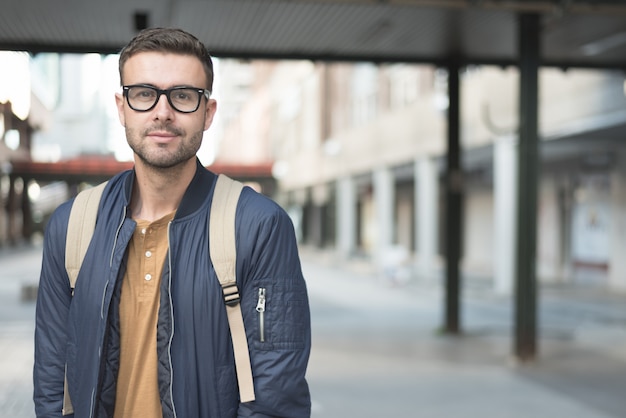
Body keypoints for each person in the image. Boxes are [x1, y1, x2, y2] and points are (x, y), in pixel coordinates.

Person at [34, 27, 311, 418]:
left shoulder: (258, 225)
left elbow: (277, 395)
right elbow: (50, 380)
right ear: (121, 107)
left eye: (183, 96)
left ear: (208, 112)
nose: (162, 112)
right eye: (144, 94)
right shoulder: (72, 226)